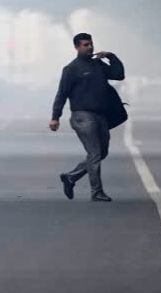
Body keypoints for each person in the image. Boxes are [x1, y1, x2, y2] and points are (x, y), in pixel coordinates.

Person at [50, 32, 125, 202]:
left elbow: (119, 75)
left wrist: (112, 57)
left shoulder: (98, 65)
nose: (90, 47)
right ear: (77, 47)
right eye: (85, 45)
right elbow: (61, 94)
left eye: (90, 44)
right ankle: (96, 192)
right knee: (95, 153)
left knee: (101, 152)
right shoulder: (71, 69)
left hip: (100, 116)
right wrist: (55, 117)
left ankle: (71, 177)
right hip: (82, 116)